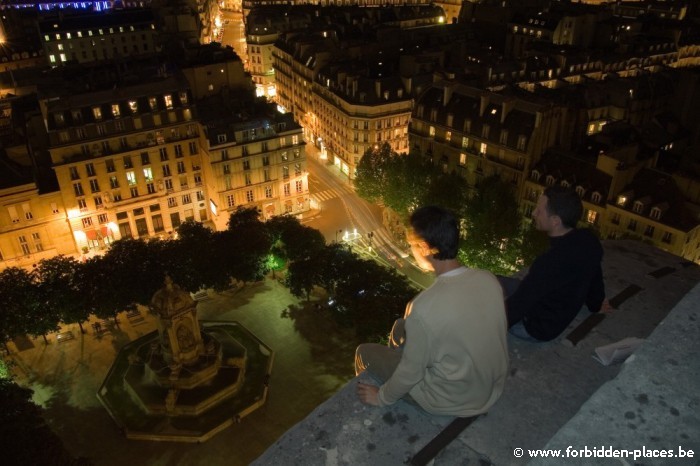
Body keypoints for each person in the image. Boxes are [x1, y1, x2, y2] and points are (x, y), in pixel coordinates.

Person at [355, 206, 509, 417]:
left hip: (451, 399)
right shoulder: (488, 279)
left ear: (425, 248)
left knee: (364, 351)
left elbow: (411, 374)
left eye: (411, 246)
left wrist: (381, 398)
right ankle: (401, 356)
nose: (410, 251)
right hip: (487, 387)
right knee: (401, 325)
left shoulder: (423, 307)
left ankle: (386, 382)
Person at [501, 186, 612, 342]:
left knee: (485, 288)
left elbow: (518, 306)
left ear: (555, 221)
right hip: (555, 317)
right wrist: (596, 304)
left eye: (539, 211)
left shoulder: (549, 263)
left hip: (532, 328)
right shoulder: (589, 241)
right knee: (492, 281)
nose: (533, 214)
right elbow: (594, 277)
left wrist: (491, 329)